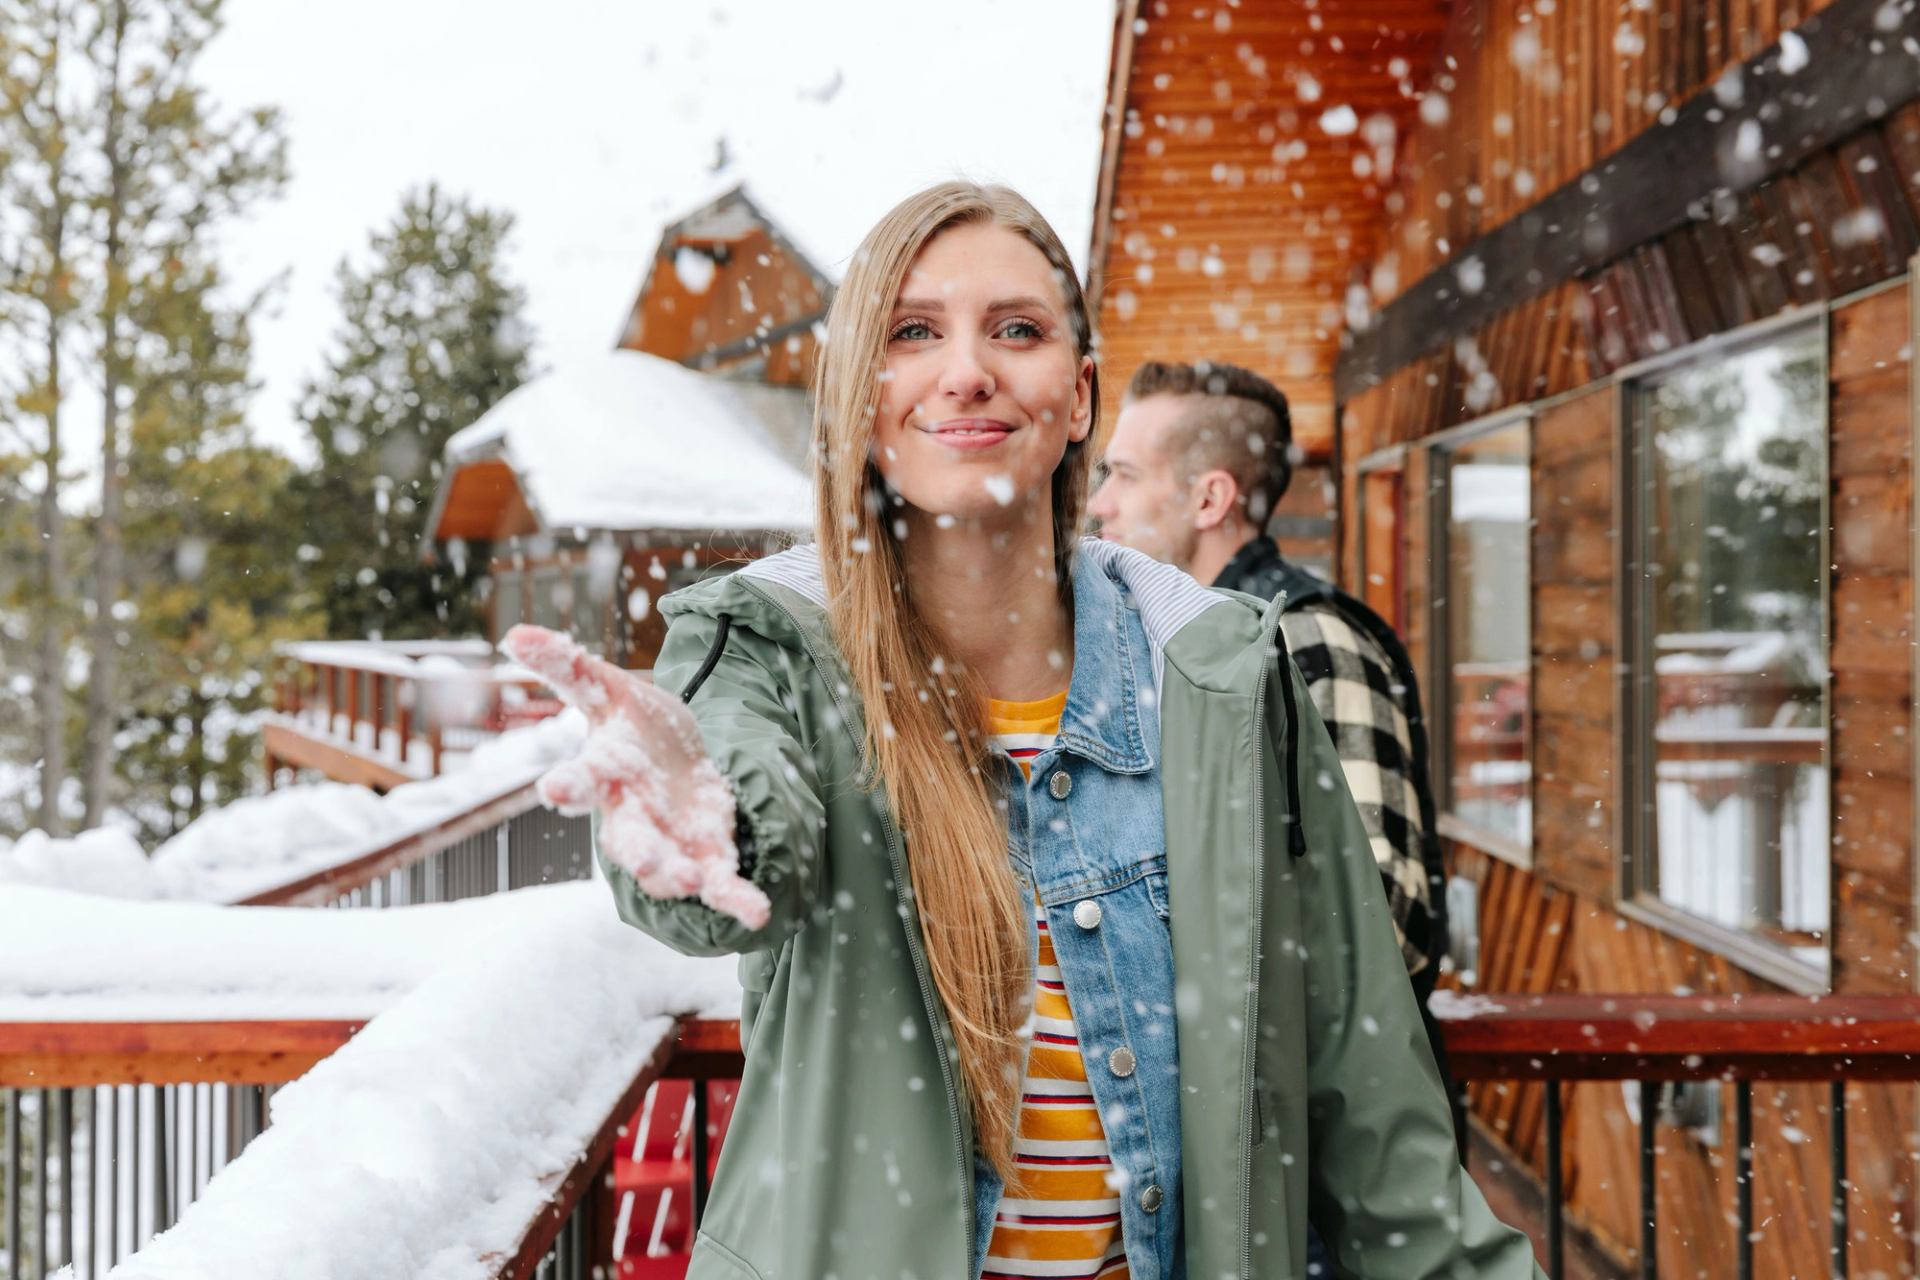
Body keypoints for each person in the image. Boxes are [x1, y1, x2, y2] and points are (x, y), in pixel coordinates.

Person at [506, 182, 1538, 1280]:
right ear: (859, 397)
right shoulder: (770, 649)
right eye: (913, 332)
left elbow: (1370, 1093)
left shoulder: (1227, 673)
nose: (967, 370)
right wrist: (701, 831)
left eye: (1017, 329)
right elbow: (747, 833)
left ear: (1080, 395)